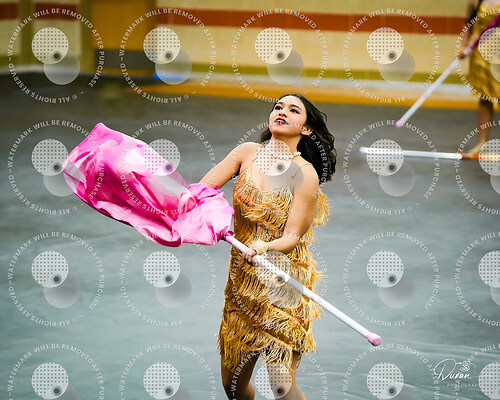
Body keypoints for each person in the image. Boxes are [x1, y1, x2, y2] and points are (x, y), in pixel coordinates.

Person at [200, 94, 336, 399]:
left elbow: (292, 237)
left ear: (306, 129)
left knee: (280, 383)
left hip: (283, 281)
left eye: (293, 110)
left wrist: (264, 246)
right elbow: (201, 191)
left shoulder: (306, 174)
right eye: (278, 107)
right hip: (242, 282)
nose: (282, 112)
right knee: (232, 385)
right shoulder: (246, 153)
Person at [460, 0, 500, 154]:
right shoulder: (476, 1)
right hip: (481, 54)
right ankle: (483, 144)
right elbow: (468, 23)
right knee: (484, 97)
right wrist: (464, 45)